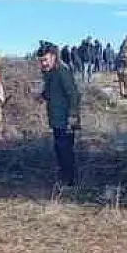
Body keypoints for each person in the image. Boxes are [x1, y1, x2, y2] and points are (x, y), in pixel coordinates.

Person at [38, 43, 81, 187]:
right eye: (41, 60)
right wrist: (42, 96)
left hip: (66, 119)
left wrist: (72, 117)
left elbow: (73, 95)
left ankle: (70, 181)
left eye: (46, 59)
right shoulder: (49, 73)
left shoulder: (62, 71)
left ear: (54, 57)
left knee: (65, 150)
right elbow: (51, 91)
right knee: (59, 148)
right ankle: (63, 175)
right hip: (56, 119)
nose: (43, 63)